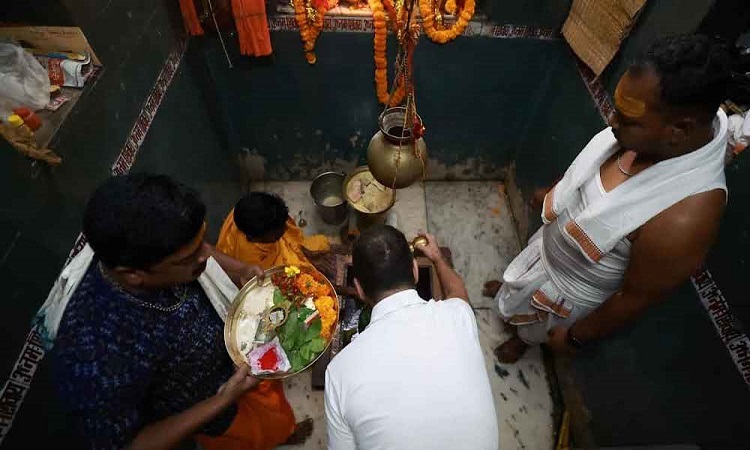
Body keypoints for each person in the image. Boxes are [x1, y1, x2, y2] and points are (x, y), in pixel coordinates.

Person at [484, 34, 732, 363]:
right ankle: (511, 294)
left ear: (680, 130)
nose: (611, 124)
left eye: (627, 120)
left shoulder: (685, 217)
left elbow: (632, 298)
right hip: (547, 250)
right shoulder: (645, 134)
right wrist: (553, 194)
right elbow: (587, 172)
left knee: (535, 328)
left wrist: (575, 337)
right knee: (517, 292)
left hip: (568, 290)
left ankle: (522, 341)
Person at [52, 174, 312, 449]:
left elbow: (201, 250)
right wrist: (223, 399)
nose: (205, 259)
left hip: (240, 356)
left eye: (200, 242)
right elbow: (130, 444)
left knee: (275, 413)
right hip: (217, 414)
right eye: (189, 258)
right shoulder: (95, 355)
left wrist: (240, 268)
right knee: (256, 438)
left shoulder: (156, 248)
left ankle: (285, 431)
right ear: (133, 274)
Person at [325, 225, 498, 450]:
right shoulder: (458, 316)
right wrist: (436, 257)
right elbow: (457, 291)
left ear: (358, 289)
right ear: (415, 270)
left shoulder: (339, 372)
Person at [216, 191, 329, 270]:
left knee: (321, 243)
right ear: (253, 238)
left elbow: (288, 237)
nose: (286, 230)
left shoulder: (252, 210)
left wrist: (302, 251)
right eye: (276, 237)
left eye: (284, 225)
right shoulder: (251, 260)